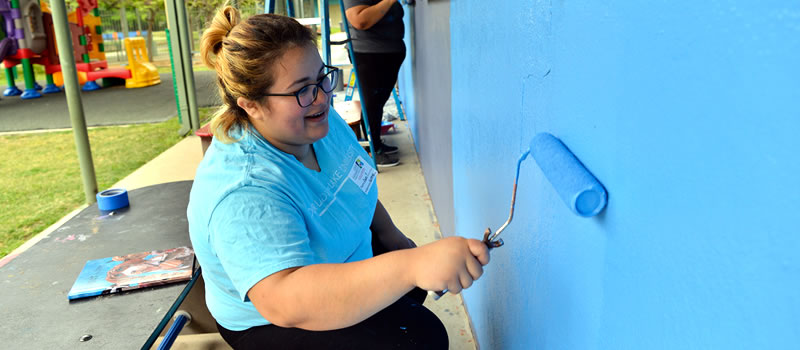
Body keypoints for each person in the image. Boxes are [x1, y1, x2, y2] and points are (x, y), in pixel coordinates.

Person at [188, 6, 489, 349]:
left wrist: (393, 237)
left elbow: (354, 182)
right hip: (271, 317)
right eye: (302, 89)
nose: (321, 96)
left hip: (333, 260)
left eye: (321, 78)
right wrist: (410, 265)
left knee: (414, 291)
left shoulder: (317, 124)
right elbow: (283, 301)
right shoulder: (243, 190)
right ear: (251, 105)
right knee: (419, 336)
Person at [343, 0, 406, 167]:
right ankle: (373, 151)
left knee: (376, 104)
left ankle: (375, 143)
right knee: (372, 103)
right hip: (369, 54)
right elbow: (360, 20)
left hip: (384, 53)